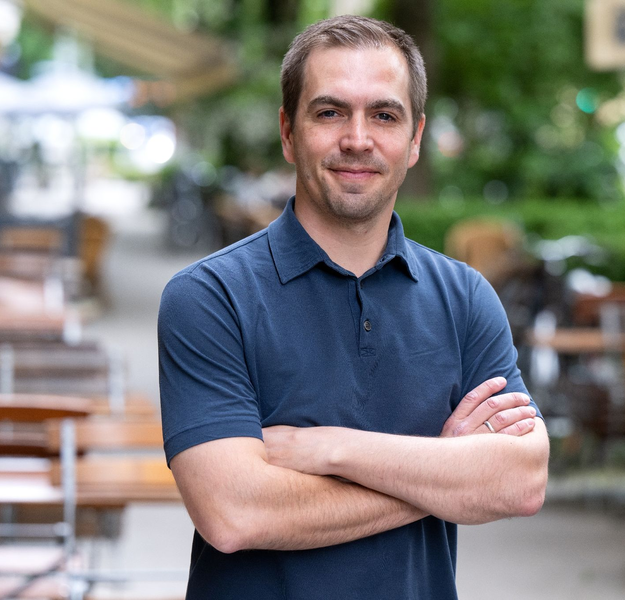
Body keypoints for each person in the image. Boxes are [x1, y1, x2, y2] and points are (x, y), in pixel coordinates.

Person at [159, 14, 549, 600]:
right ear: (289, 133)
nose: (358, 139)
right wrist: (444, 471)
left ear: (415, 138)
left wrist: (332, 449)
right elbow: (234, 514)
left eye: (384, 115)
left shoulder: (466, 299)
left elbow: (521, 479)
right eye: (330, 111)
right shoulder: (209, 298)